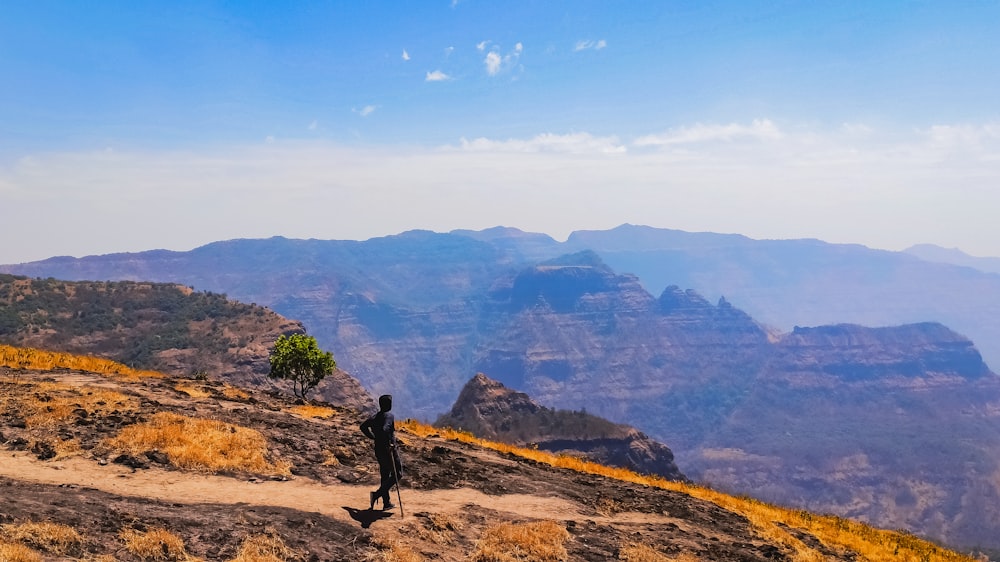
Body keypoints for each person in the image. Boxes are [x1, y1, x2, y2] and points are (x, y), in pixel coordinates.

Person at [360, 394, 402, 510]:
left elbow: (363, 426)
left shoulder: (374, 417)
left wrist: (373, 437)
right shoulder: (389, 416)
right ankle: (377, 494)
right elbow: (385, 429)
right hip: (389, 450)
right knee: (398, 473)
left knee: (385, 474)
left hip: (378, 449)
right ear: (389, 405)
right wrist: (389, 443)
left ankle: (386, 502)